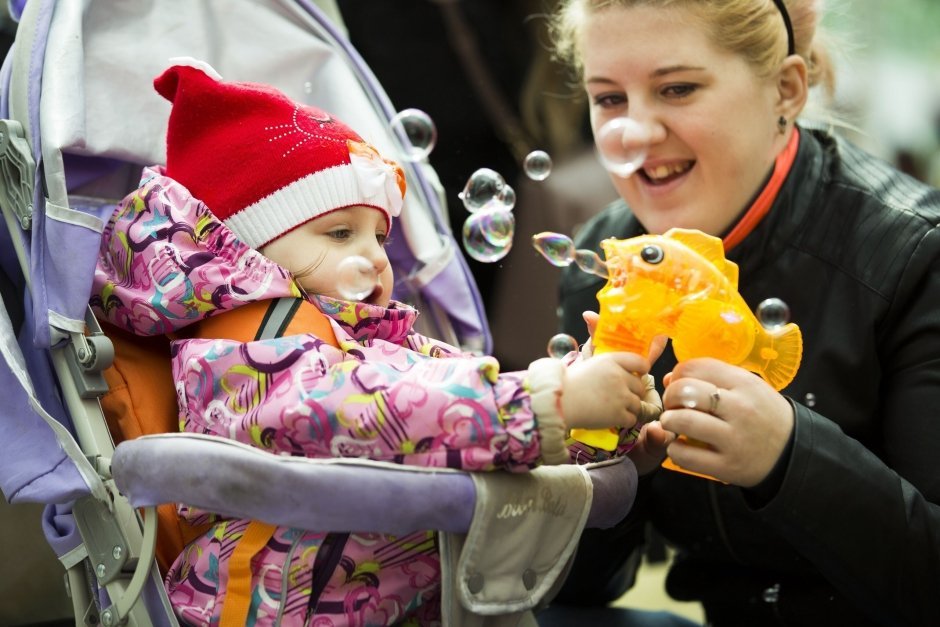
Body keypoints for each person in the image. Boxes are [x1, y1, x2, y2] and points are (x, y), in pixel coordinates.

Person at [90, 58, 658, 626]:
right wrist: (548, 400)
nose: (376, 258)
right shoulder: (242, 350)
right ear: (249, 246)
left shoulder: (384, 343)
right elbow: (357, 409)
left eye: (381, 236)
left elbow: (483, 424)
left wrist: (602, 420)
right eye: (340, 233)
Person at [541, 1, 940, 626]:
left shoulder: (916, 256)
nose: (635, 135)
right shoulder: (608, 265)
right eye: (610, 99)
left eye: (677, 88)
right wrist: (594, 465)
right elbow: (583, 592)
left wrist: (789, 455)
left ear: (786, 89)